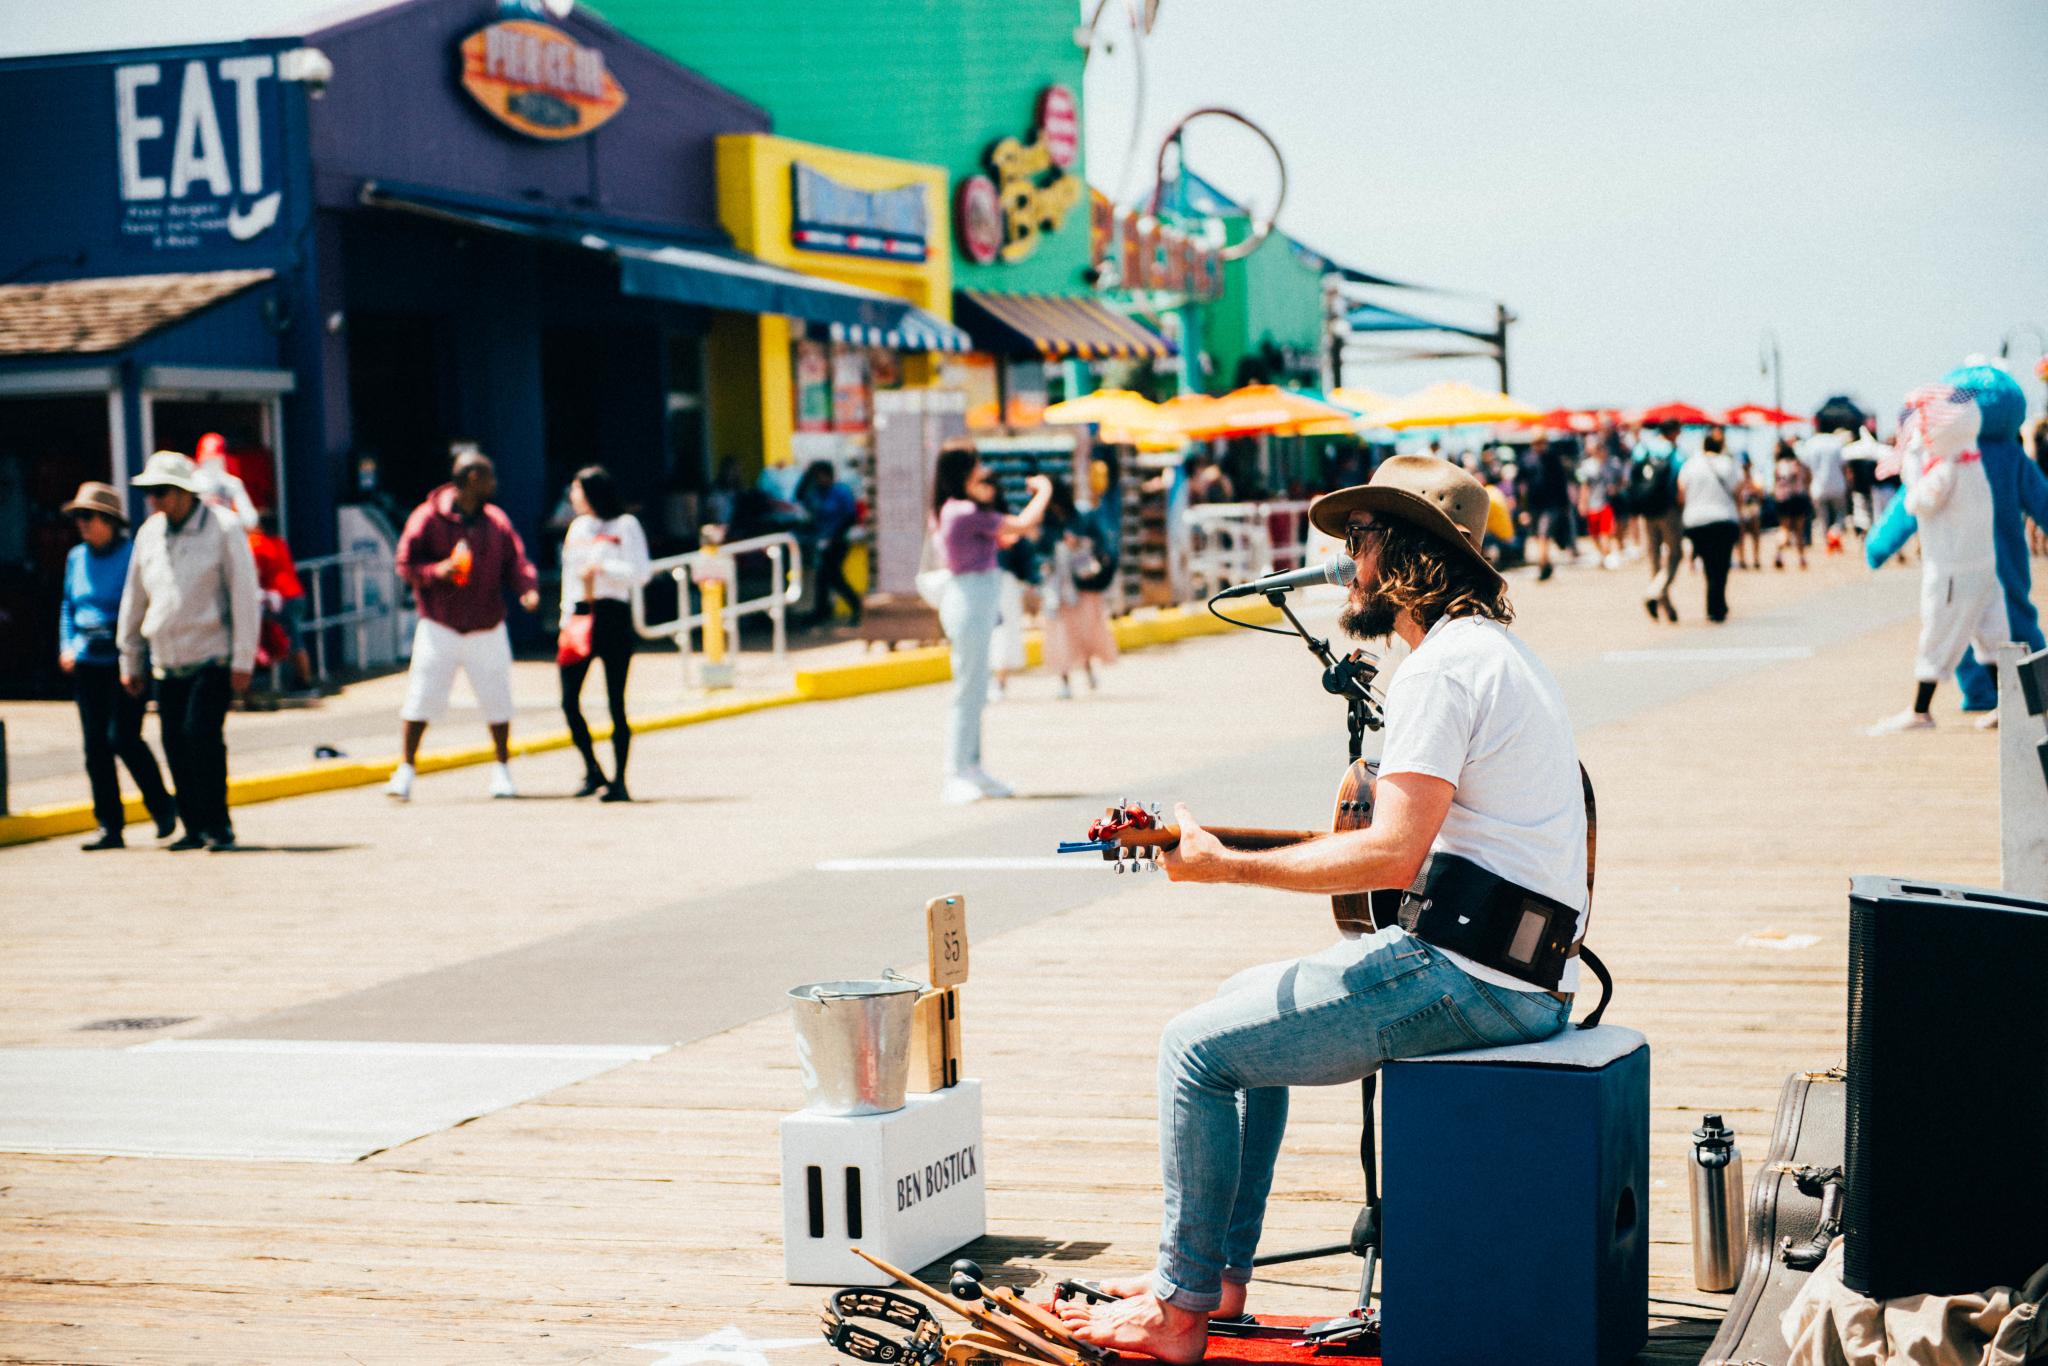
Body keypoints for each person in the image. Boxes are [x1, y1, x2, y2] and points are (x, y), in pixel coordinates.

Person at [1058, 456, 1583, 1363]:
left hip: (1471, 979)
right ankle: (1214, 1272)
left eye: (1360, 539)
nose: (1345, 558)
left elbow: (1389, 853)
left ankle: (1179, 1313)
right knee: (1232, 1008)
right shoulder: (1491, 655)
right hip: (1518, 968)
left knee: (1194, 1049)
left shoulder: (1442, 671)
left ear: (1406, 554)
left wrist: (1227, 871)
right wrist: (1227, 851)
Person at [116, 451, 260, 852]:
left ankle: (219, 824)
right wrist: (131, 657)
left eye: (161, 491)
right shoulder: (149, 533)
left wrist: (243, 660)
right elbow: (136, 597)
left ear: (184, 492)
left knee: (202, 738)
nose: (154, 500)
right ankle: (193, 826)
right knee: (175, 743)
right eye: (148, 492)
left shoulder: (224, 528)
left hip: (212, 656)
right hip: (165, 660)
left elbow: (245, 597)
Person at [385, 450, 541, 801]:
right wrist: (438, 571)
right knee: (421, 697)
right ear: (473, 478)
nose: (495, 484)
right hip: (440, 624)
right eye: (490, 477)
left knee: (497, 697)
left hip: (487, 624)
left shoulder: (495, 521)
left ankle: (502, 770)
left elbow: (515, 561)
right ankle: (406, 770)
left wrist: (527, 589)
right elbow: (405, 563)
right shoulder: (427, 517)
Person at [1867, 384, 2003, 734]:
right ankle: (2008, 703)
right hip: (1983, 565)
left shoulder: (1944, 469)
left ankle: (1920, 711)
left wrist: (1912, 463)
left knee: (1937, 636)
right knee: (1992, 637)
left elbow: (1918, 504)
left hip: (1951, 569)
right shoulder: (1971, 459)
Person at [931, 443, 1052, 805]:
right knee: (968, 691)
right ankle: (957, 771)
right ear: (962, 471)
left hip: (973, 600)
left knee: (975, 689)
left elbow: (1006, 536)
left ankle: (972, 768)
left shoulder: (955, 511)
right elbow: (1023, 524)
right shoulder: (964, 512)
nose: (983, 470)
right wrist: (1044, 491)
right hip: (970, 600)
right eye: (976, 464)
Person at [59, 482, 175, 850]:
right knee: (95, 747)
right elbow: (68, 607)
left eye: (88, 516)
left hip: (124, 663)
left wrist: (135, 656)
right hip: (87, 664)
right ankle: (109, 826)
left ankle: (162, 806)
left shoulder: (131, 555)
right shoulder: (76, 557)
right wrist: (67, 646)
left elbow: (142, 605)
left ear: (110, 520)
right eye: (77, 517)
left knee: (122, 738)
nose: (82, 523)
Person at [558, 465, 650, 801]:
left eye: (578, 489)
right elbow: (569, 576)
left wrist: (603, 567)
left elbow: (641, 572)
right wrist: (565, 620)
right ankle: (592, 769)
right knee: (569, 700)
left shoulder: (625, 525)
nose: (573, 496)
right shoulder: (578, 528)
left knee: (615, 703)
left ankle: (620, 780)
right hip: (579, 614)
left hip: (612, 615)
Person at [1039, 474, 1121, 698]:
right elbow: (1039, 550)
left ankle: (1087, 668)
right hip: (1058, 586)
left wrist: (1078, 542)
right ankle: (1065, 680)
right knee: (1061, 634)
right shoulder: (1045, 521)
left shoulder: (1082, 516)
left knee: (1084, 631)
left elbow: (1100, 544)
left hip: (1081, 582)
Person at [1677, 429, 1743, 623]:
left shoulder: (1690, 465)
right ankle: (1717, 606)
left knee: (1708, 564)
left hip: (1696, 521)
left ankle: (1714, 605)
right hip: (1723, 518)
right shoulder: (1728, 464)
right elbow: (1739, 491)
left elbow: (1680, 493)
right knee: (1721, 564)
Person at [247, 511, 313, 692]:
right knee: (292, 638)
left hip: (283, 600)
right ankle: (300, 680)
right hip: (297, 595)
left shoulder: (257, 543)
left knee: (291, 640)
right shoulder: (280, 542)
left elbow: (253, 572)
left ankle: (305, 681)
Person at [1630, 419, 1686, 621]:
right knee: (1675, 554)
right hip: (1668, 509)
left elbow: (1633, 472)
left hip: (1646, 509)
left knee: (1653, 557)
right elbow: (1681, 480)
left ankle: (1666, 605)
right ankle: (1654, 591)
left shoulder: (1643, 448)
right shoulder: (1674, 452)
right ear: (1673, 432)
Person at [796, 460, 862, 628]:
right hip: (821, 542)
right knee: (823, 578)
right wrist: (806, 476)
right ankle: (823, 611)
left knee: (833, 577)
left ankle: (856, 606)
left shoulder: (841, 491)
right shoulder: (815, 492)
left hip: (837, 542)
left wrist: (835, 537)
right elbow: (799, 496)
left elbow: (850, 517)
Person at [1800, 423, 1852, 552]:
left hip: (1818, 486)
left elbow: (1805, 470)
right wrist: (1850, 485)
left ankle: (1828, 544)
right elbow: (1845, 466)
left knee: (1823, 517)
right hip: (1838, 484)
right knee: (1840, 514)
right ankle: (1835, 532)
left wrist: (1807, 487)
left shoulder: (1810, 444)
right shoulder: (1836, 442)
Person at [1772, 439, 1813, 570]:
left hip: (1784, 500)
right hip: (1799, 498)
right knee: (1799, 531)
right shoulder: (1798, 464)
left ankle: (1778, 554)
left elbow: (1775, 483)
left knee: (1784, 529)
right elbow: (1808, 478)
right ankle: (1802, 559)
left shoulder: (1779, 465)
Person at [1734, 455, 1765, 571]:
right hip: (1743, 506)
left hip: (1752, 505)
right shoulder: (1738, 476)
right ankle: (1742, 560)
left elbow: (1760, 491)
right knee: (1741, 535)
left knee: (1755, 534)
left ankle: (1756, 559)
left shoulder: (1756, 475)